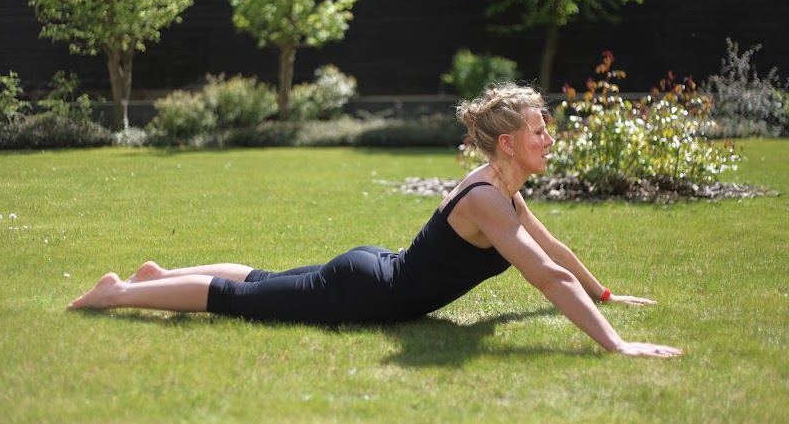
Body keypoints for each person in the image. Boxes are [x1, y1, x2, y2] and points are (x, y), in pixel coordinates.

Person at [69, 83, 683, 358]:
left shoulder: (503, 191)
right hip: (366, 291)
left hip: (375, 271)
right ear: (506, 144)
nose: (548, 139)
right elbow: (547, 276)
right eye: (539, 131)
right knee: (240, 300)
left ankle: (159, 276)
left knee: (261, 280)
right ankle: (116, 293)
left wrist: (606, 294)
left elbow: (556, 252)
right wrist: (617, 343)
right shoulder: (490, 199)